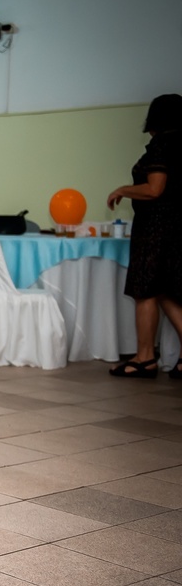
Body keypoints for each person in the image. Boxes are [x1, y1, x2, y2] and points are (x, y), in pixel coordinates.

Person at [108, 93, 182, 379]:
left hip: (157, 228)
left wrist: (123, 189)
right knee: (167, 292)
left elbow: (154, 189)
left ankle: (144, 358)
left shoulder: (161, 146)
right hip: (177, 228)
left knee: (146, 290)